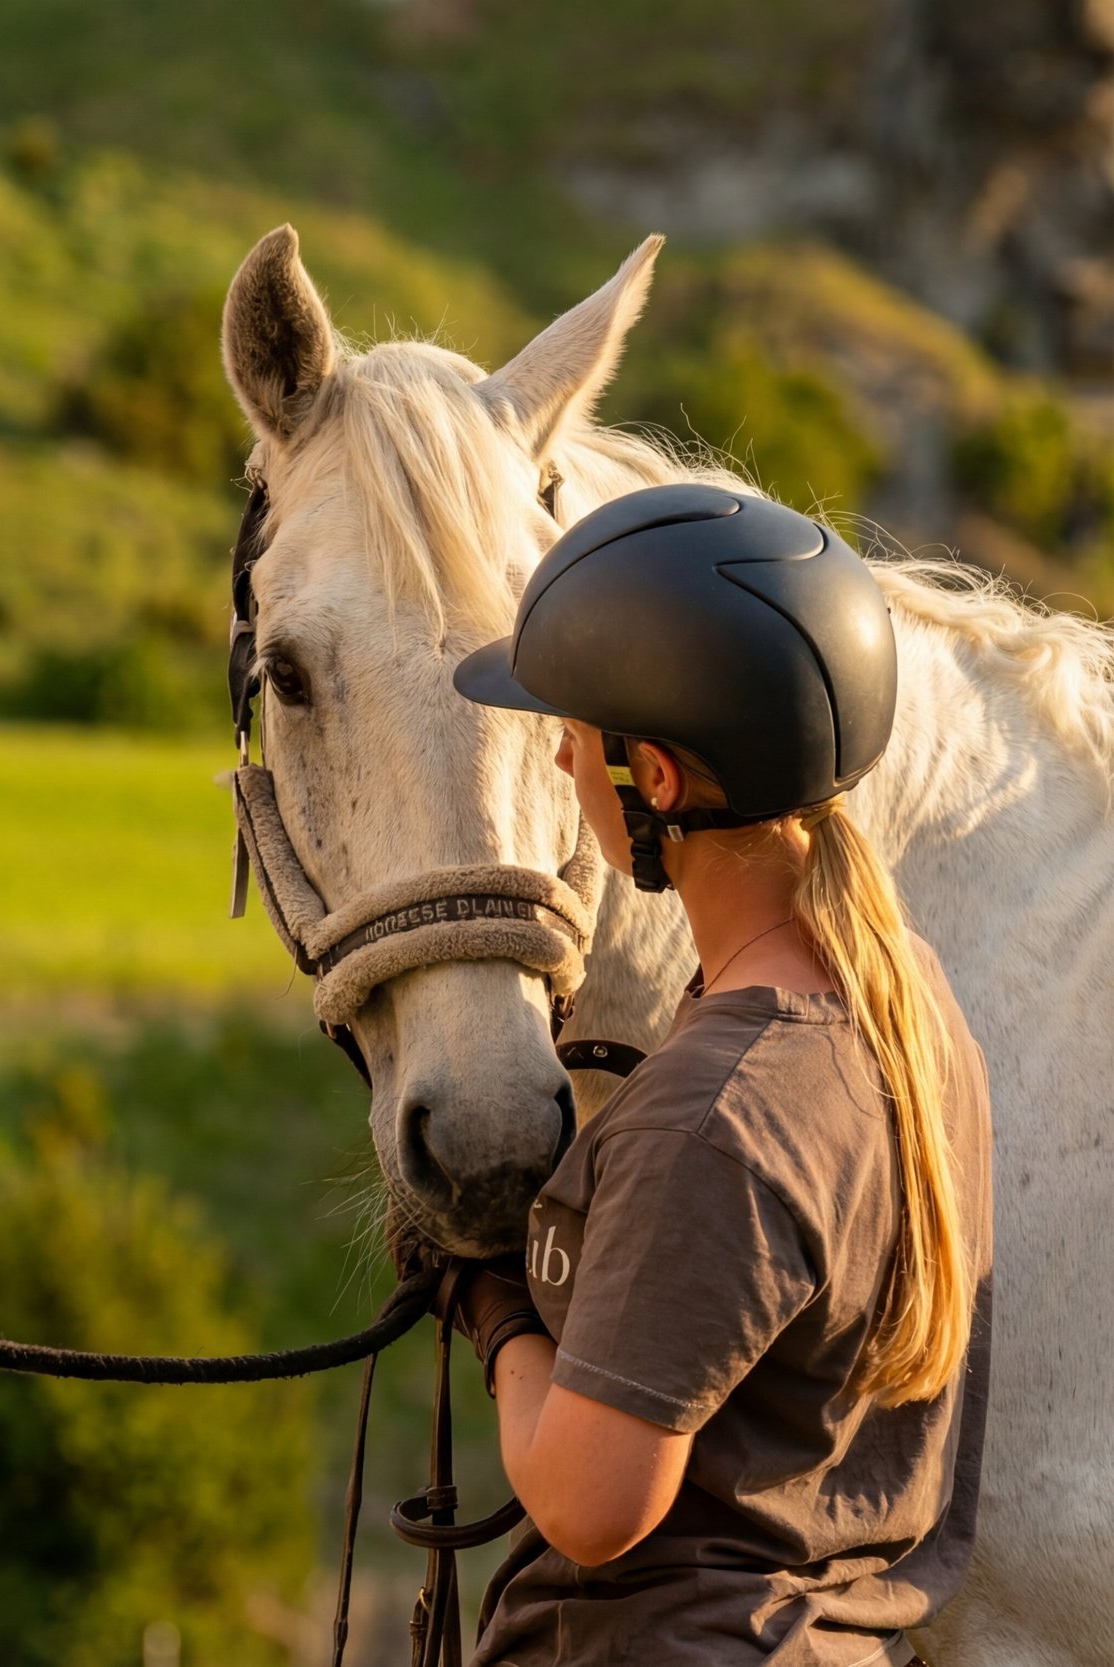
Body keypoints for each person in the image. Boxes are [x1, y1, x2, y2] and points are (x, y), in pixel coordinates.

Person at [440, 483, 991, 1666]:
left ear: (657, 782)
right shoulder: (910, 1007)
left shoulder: (718, 1112)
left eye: (577, 735)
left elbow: (590, 1501)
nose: (557, 751)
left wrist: (492, 1307)